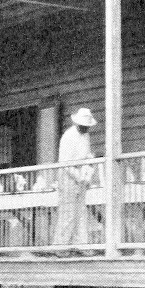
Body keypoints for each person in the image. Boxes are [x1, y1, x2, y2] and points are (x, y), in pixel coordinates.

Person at [53, 108, 96, 252]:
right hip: (68, 177)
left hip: (81, 176)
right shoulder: (68, 136)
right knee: (68, 213)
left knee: (81, 213)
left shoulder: (86, 136)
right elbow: (65, 162)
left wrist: (87, 173)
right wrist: (78, 177)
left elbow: (86, 155)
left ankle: (81, 245)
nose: (86, 128)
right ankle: (61, 247)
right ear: (77, 123)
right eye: (84, 126)